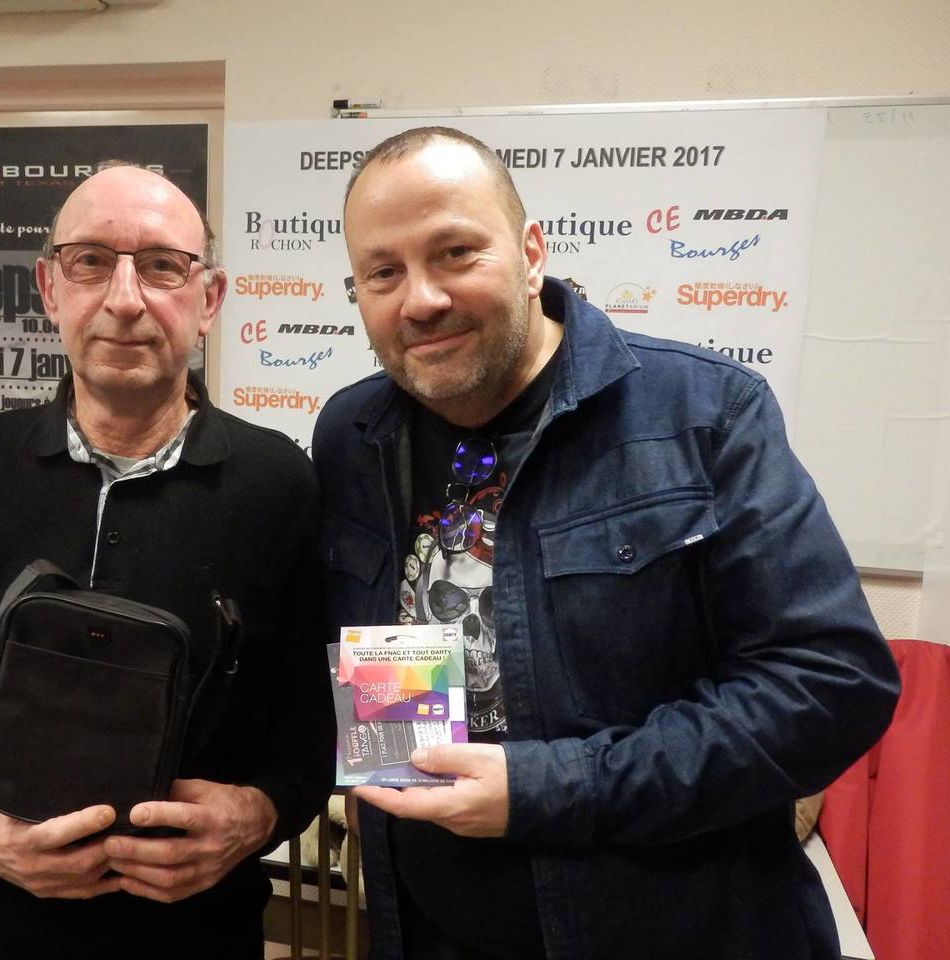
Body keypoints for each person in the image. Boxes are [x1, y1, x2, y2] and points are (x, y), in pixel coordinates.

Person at [312, 127, 901, 960]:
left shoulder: (703, 413)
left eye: (455, 253)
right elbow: (368, 673)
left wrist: (548, 787)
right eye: (383, 272)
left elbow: (832, 686)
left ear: (531, 254)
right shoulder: (353, 432)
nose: (421, 299)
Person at [0, 163, 335, 958]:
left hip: (197, 938)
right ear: (49, 287)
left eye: (163, 265)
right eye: (91, 262)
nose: (124, 299)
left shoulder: (279, 487)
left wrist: (262, 813)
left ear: (209, 299)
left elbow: (314, 726)